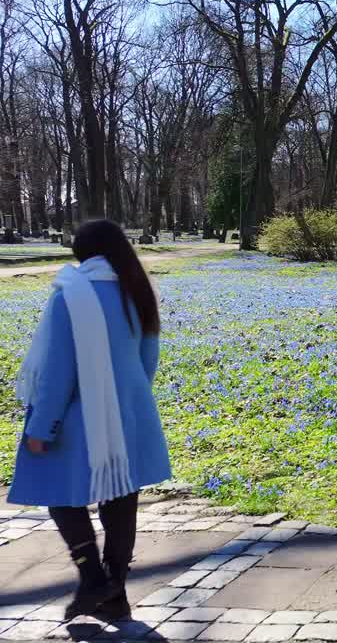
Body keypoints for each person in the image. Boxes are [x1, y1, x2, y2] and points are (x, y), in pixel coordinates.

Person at [8, 219, 171, 620]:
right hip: (129, 413)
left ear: (81, 252)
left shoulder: (71, 294)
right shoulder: (137, 289)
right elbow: (148, 360)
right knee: (120, 497)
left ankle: (94, 578)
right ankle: (114, 593)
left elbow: (57, 369)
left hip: (79, 417)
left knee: (61, 496)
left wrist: (42, 426)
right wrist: (127, 400)